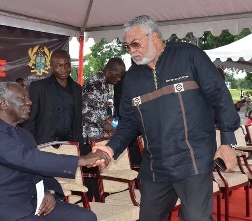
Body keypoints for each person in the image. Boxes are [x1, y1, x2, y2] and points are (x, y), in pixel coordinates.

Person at [93, 15, 239, 221]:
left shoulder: (189, 55)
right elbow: (128, 122)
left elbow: (220, 96)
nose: (132, 51)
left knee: (195, 218)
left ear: (154, 36)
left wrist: (227, 141)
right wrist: (110, 148)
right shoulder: (132, 79)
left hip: (193, 160)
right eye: (127, 46)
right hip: (155, 166)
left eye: (136, 44)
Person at [0, 82, 109, 221]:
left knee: (86, 217)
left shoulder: (24, 135)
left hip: (32, 201)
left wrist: (50, 192)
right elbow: (28, 159)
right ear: (2, 103)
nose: (29, 102)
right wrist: (82, 160)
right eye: (22, 98)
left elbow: (39, 169)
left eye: (28, 98)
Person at [23, 50, 84, 152]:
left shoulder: (76, 88)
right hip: (45, 145)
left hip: (71, 145)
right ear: (51, 66)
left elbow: (77, 121)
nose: (63, 69)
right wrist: (31, 146)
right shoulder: (39, 88)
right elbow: (30, 120)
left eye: (67, 65)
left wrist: (79, 145)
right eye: (59, 65)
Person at [82, 58, 126, 142]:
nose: (119, 79)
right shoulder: (96, 83)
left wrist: (108, 118)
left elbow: (96, 109)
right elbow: (85, 110)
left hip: (96, 136)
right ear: (109, 71)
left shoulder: (104, 83)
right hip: (88, 137)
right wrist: (104, 125)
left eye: (121, 76)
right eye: (117, 75)